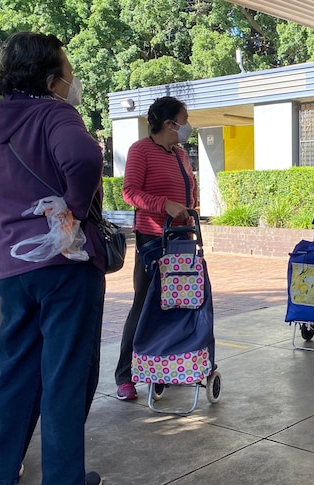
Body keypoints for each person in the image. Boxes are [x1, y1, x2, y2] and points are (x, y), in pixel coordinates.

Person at [0, 32, 104, 485]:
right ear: (51, 79)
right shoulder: (55, 115)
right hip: (66, 268)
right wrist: (73, 210)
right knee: (65, 376)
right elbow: (83, 158)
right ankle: (63, 479)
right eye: (68, 73)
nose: (72, 82)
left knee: (14, 372)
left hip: (14, 271)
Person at [113, 96, 197, 401]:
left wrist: (190, 204)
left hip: (183, 239)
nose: (188, 125)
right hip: (152, 240)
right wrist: (165, 205)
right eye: (184, 119)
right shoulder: (141, 151)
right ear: (169, 123)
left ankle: (165, 367)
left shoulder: (180, 154)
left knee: (176, 305)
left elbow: (190, 187)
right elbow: (129, 192)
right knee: (144, 304)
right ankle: (125, 375)